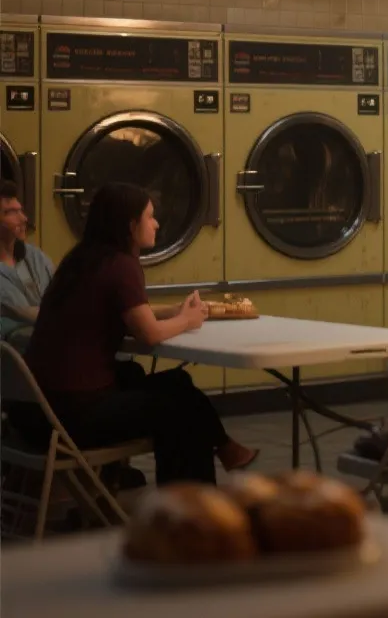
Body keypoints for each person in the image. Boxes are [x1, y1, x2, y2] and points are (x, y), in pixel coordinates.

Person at [7, 181, 256, 484]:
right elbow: (149, 334)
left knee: (171, 380)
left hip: (33, 412)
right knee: (179, 411)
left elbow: (127, 312)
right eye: (150, 216)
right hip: (70, 419)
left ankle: (224, 449)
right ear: (130, 225)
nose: (156, 223)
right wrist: (189, 321)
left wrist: (177, 311)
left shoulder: (82, 260)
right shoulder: (121, 265)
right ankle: (187, 510)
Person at [0, 180, 54, 350]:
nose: (23, 218)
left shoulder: (34, 256)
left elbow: (62, 294)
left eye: (20, 210)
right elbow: (21, 312)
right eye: (11, 212)